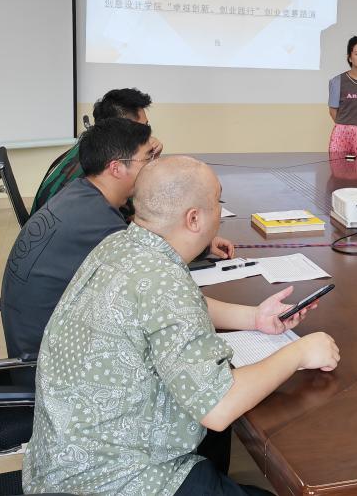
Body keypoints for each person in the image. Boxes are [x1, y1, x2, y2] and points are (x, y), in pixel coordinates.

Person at [23, 156, 340, 496]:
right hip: (119, 479)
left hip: (65, 461)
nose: (221, 211)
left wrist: (253, 318)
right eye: (217, 202)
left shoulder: (120, 245)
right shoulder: (164, 283)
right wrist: (299, 352)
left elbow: (177, 306)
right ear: (194, 219)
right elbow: (218, 407)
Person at [1, 118, 234, 388]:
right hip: (48, 369)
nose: (154, 165)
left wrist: (202, 243)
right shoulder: (101, 225)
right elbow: (162, 288)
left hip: (40, 345)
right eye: (148, 158)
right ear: (116, 168)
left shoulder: (81, 196)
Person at [30, 87, 161, 215]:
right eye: (142, 129)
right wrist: (148, 162)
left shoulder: (90, 147)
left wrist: (146, 156)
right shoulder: (101, 167)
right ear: (120, 129)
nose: (146, 133)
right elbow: (138, 211)